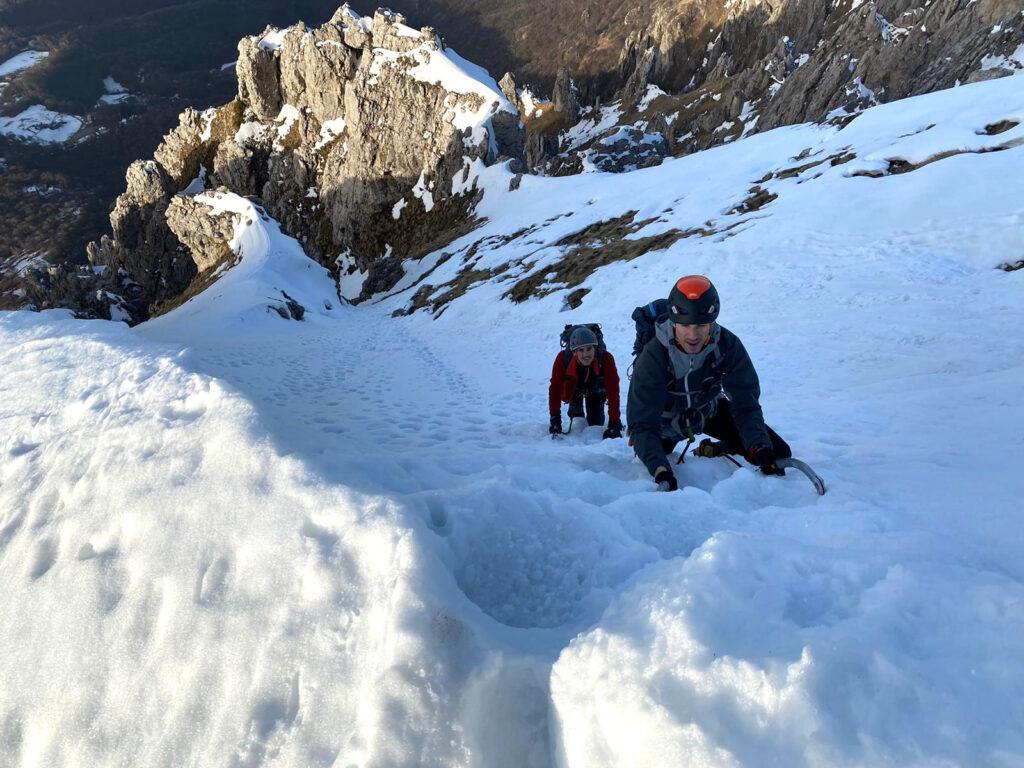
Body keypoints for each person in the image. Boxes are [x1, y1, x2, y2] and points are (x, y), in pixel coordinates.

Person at [626, 275, 791, 491]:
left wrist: (758, 446)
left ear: (712, 322)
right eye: (685, 325)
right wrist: (660, 470)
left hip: (706, 412)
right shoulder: (654, 355)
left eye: (701, 325)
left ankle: (715, 449)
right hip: (665, 424)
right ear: (674, 322)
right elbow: (643, 422)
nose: (693, 334)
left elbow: (745, 404)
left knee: (776, 453)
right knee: (658, 453)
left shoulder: (727, 345)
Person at [549, 326, 623, 438]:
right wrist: (555, 418)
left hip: (596, 388)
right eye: (581, 350)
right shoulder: (562, 359)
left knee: (596, 424)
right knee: (577, 421)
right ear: (574, 352)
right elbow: (555, 390)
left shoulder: (606, 359)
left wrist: (614, 422)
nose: (586, 354)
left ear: (595, 348)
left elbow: (613, 392)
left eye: (589, 349)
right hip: (574, 387)